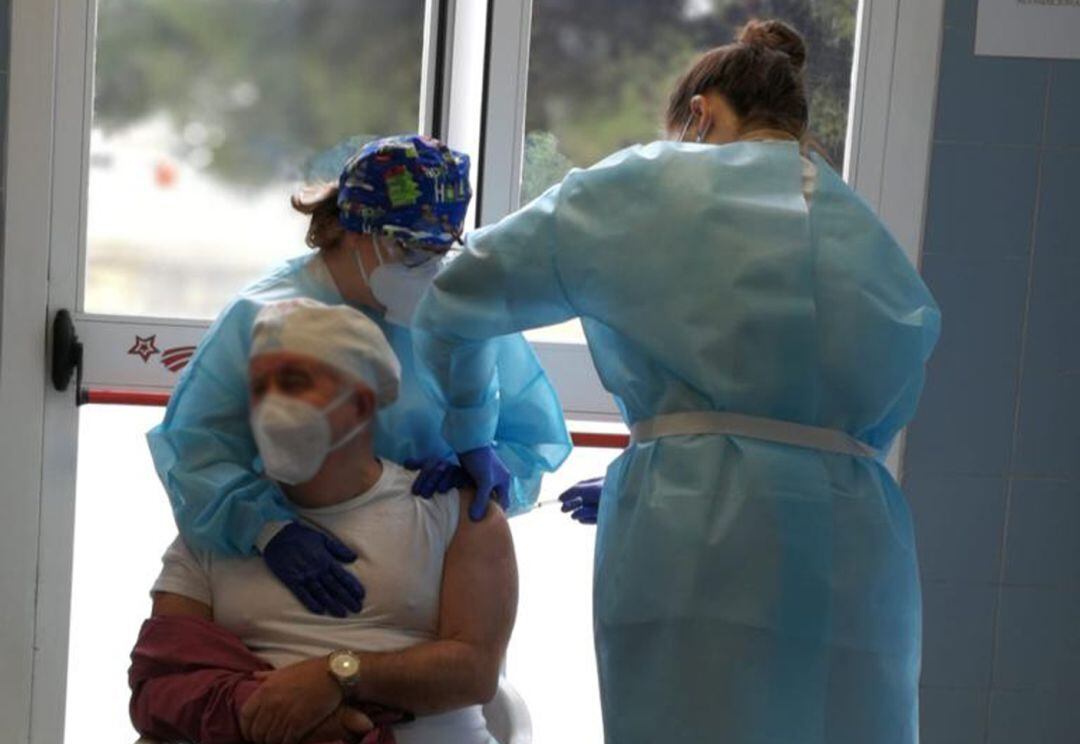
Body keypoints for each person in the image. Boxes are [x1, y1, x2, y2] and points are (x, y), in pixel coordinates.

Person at [412, 20, 941, 744]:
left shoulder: (644, 182)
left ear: (700, 113)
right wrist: (710, 443)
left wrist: (474, 433)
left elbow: (456, 296)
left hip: (694, 535)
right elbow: (834, 399)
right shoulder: (862, 229)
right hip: (855, 542)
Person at [147, 135, 569, 618]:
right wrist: (267, 529)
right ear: (353, 227)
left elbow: (528, 436)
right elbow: (198, 447)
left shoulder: (456, 310)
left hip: (425, 575)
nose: (427, 267)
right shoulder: (262, 315)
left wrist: (482, 472)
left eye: (439, 249)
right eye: (409, 248)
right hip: (290, 568)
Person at [130, 299, 516, 744]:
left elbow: (473, 672)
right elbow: (161, 681)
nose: (272, 404)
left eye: (295, 383)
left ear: (360, 403)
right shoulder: (218, 521)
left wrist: (335, 677)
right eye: (261, 387)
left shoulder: (456, 515)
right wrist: (284, 717)